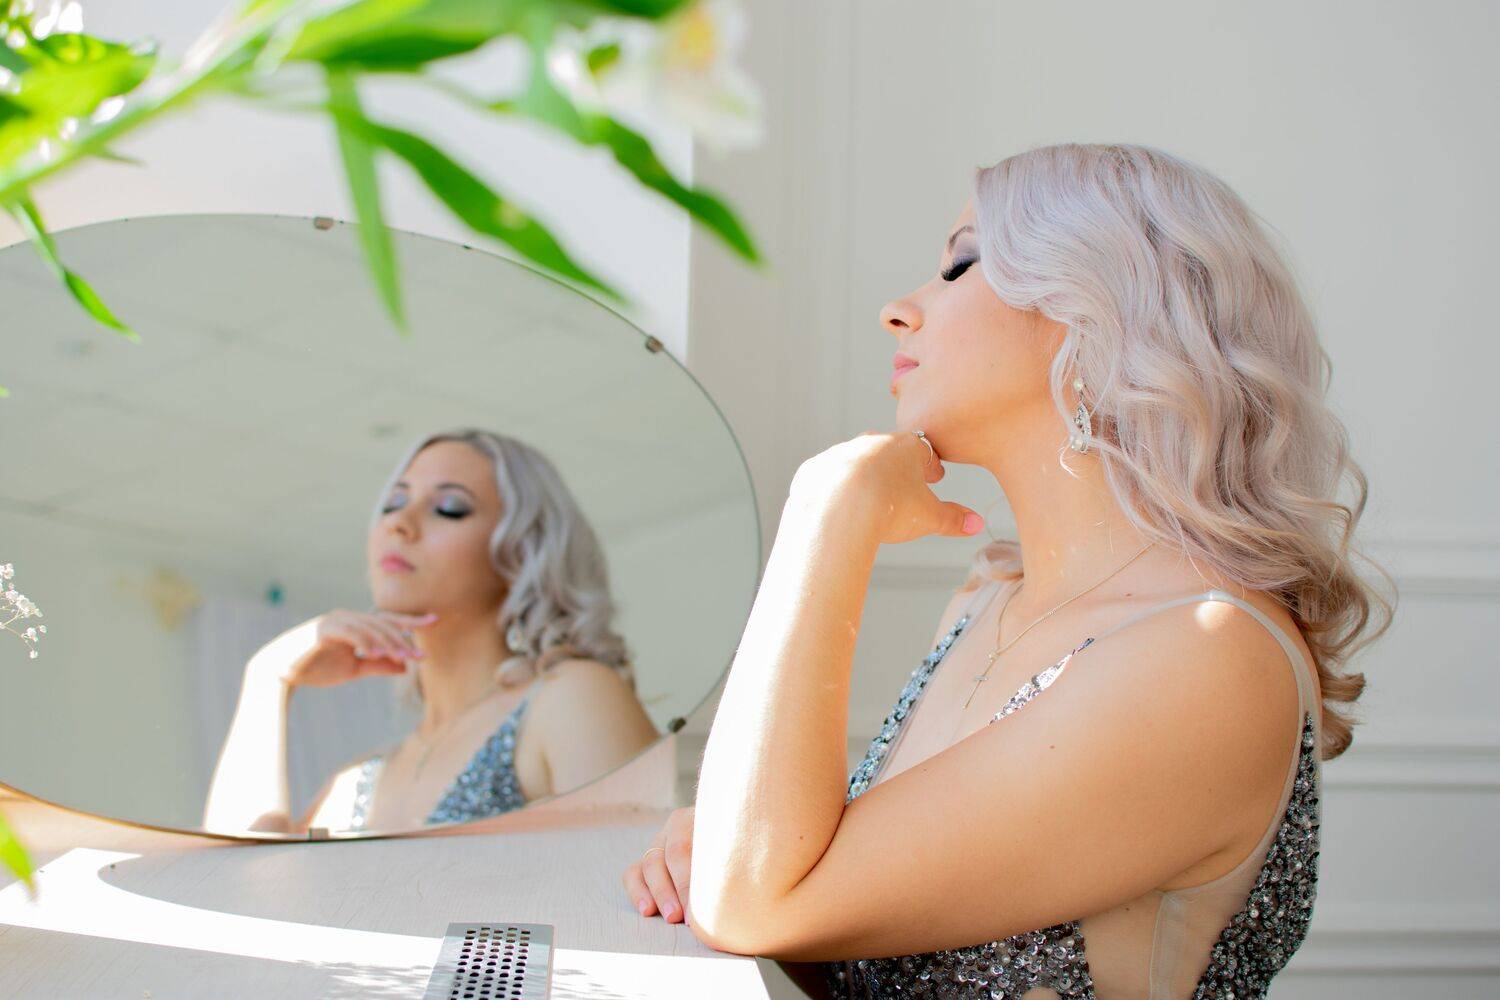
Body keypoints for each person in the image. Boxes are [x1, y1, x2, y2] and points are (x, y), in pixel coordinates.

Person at [621, 143, 1394, 999]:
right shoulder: (987, 603)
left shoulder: (1210, 655)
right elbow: (834, 944)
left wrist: (827, 510)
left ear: (1098, 312)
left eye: (961, 264)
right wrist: (723, 841)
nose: (898, 310)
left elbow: (754, 904)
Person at [204, 428, 660, 834]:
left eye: (449, 508)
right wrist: (267, 679)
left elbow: (638, 885)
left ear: (520, 553)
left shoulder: (571, 697)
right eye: (393, 504)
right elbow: (240, 879)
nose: (399, 523)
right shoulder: (355, 783)